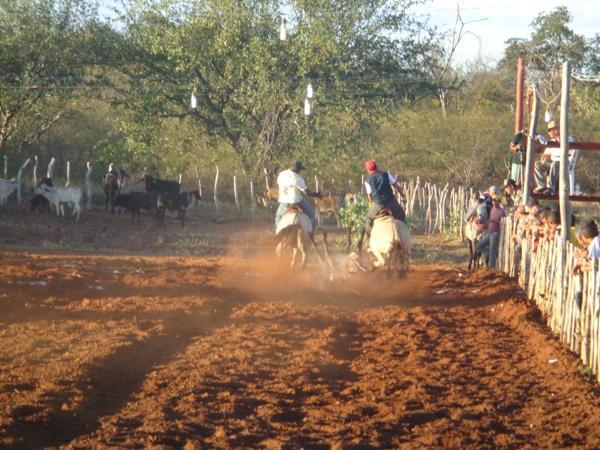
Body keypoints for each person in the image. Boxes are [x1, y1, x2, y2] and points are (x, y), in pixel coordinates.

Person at [274, 160, 320, 232]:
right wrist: (316, 195)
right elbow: (307, 193)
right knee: (312, 214)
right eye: (300, 169)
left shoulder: (281, 174)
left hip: (284, 202)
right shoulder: (298, 179)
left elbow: (278, 184)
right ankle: (312, 233)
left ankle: (277, 232)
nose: (300, 171)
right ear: (297, 168)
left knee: (278, 217)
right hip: (297, 201)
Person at [363, 160, 405, 235]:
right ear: (377, 167)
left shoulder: (367, 180)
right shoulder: (386, 174)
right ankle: (402, 234)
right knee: (401, 214)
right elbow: (397, 186)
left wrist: (370, 204)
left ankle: (369, 238)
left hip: (379, 205)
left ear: (368, 170)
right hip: (391, 202)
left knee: (369, 219)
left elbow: (370, 196)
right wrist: (403, 196)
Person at [534, 120, 574, 194]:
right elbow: (545, 154)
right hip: (553, 163)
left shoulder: (567, 138)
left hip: (563, 163)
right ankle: (541, 186)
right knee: (537, 164)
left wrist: (560, 139)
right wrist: (544, 158)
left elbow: (569, 148)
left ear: (556, 130)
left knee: (555, 163)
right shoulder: (552, 141)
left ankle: (550, 188)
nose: (549, 132)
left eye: (550, 130)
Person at [475, 189, 505, 269]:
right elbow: (489, 221)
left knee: (493, 251)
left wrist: (494, 221)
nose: (494, 202)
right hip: (489, 232)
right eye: (493, 201)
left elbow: (503, 224)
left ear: (499, 202)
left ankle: (492, 269)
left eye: (496, 201)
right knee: (478, 246)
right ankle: (487, 253)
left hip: (496, 233)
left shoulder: (502, 212)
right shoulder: (492, 210)